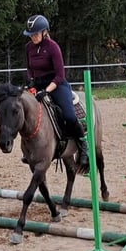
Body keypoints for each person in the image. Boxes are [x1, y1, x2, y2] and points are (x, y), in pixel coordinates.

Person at [22, 14, 88, 167]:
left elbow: (60, 75)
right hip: (37, 84)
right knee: (23, 111)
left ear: (45, 32)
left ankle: (83, 145)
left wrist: (46, 90)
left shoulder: (53, 47)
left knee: (70, 116)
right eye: (31, 35)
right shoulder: (28, 48)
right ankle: (28, 149)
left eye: (36, 34)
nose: (33, 37)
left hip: (56, 85)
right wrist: (31, 82)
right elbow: (29, 69)